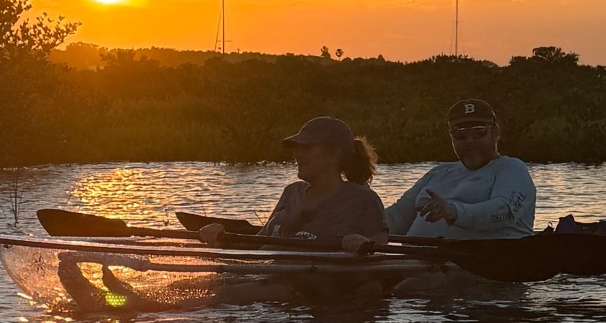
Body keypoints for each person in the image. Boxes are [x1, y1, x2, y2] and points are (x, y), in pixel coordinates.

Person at [345, 99, 535, 251]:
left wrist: (454, 212)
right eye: (460, 135)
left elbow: (504, 212)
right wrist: (354, 229)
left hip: (475, 273)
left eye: (479, 133)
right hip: (413, 266)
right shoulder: (438, 173)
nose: (470, 141)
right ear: (451, 137)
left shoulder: (511, 169)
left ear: (496, 134)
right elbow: (397, 217)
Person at [199, 116, 387, 246]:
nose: (296, 155)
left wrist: (361, 247)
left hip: (310, 290)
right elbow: (258, 244)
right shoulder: (292, 192)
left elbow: (380, 262)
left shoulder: (363, 200)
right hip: (268, 282)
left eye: (306, 148)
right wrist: (222, 238)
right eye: (296, 148)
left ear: (334, 155)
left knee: (221, 294)